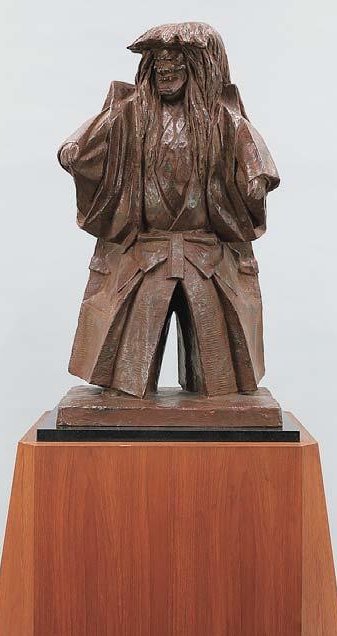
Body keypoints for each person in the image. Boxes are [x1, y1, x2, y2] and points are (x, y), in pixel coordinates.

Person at [59, 21, 279, 398]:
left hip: (205, 254)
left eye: (176, 65)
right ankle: (127, 394)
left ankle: (217, 392)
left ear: (194, 70)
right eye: (159, 67)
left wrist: (256, 175)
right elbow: (95, 135)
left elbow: (247, 141)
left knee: (217, 364)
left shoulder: (217, 116)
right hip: (147, 253)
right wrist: (76, 151)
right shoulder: (132, 114)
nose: (167, 73)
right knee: (130, 359)